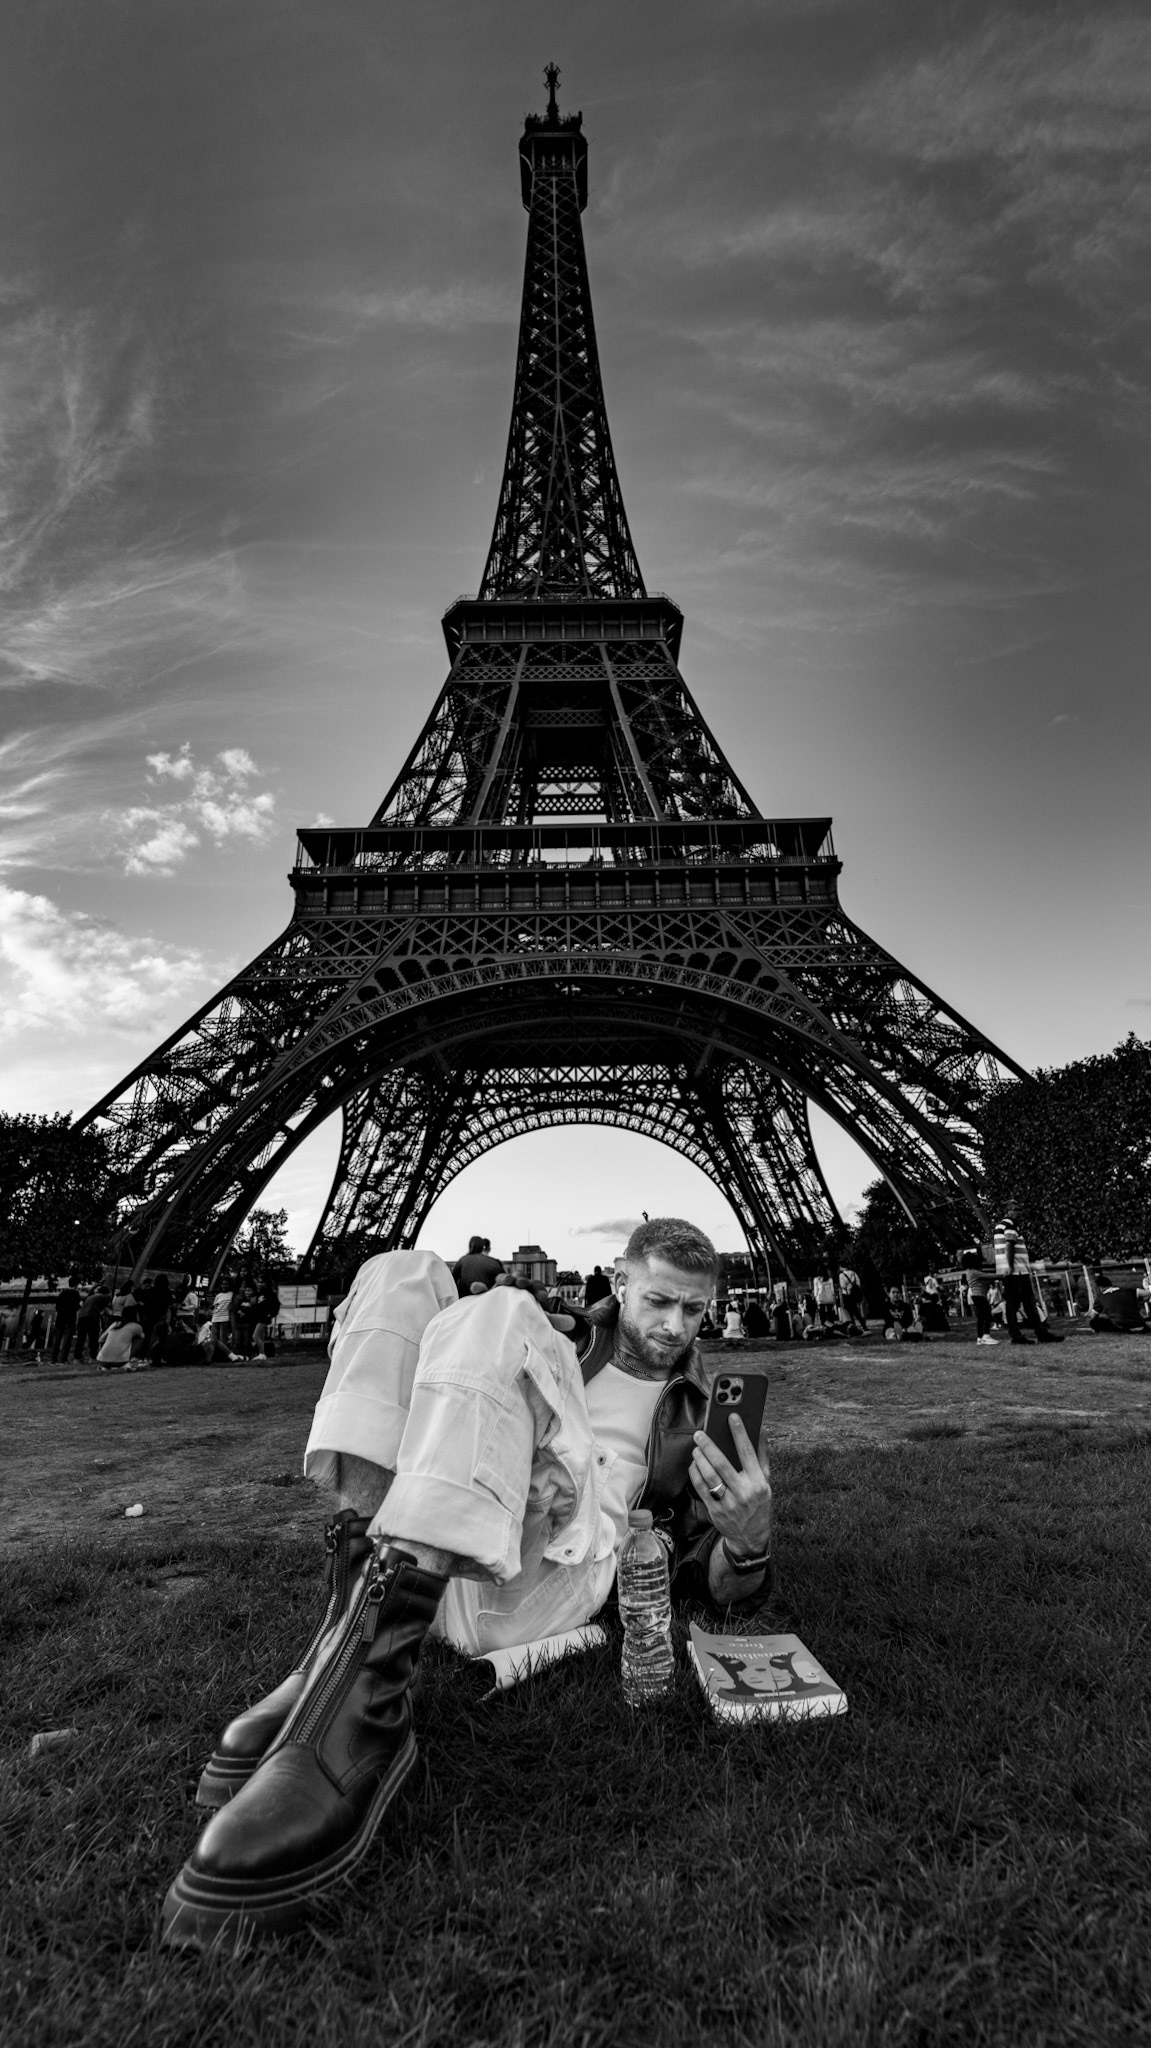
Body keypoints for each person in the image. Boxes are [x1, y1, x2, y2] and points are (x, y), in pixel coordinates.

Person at [161, 1217, 775, 1952]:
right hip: (456, 1543)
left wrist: (748, 1539)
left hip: (560, 1569)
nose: (676, 1325)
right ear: (620, 1283)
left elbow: (713, 1588)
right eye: (658, 1302)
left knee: (499, 1313)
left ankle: (355, 1693)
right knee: (405, 1272)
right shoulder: (562, 1336)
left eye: (694, 1309)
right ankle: (344, 1651)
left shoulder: (703, 1412)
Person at [993, 1215, 1062, 1346]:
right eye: (1015, 1209)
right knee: (1023, 1304)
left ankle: (1032, 1333)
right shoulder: (1010, 1225)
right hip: (1017, 1271)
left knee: (1018, 1305)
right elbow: (1009, 1244)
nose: (1018, 1212)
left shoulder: (999, 1226)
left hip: (1010, 1271)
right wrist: (1011, 1266)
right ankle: (1028, 1334)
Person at [962, 1250, 998, 1345]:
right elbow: (989, 1276)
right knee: (988, 1316)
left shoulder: (968, 1272)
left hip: (975, 1296)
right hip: (980, 1296)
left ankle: (979, 1338)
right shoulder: (974, 1272)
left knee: (981, 1317)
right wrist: (1004, 1275)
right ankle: (986, 1335)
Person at [50, 1274, 82, 1363]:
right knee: (67, 1339)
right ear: (76, 1284)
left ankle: (53, 1359)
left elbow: (57, 1307)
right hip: (70, 1317)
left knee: (57, 1338)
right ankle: (63, 1359)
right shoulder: (75, 1294)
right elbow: (77, 1306)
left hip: (60, 1317)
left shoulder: (62, 1293)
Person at [75, 1284, 111, 1362]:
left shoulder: (90, 1297)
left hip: (81, 1317)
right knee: (93, 1338)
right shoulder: (104, 1297)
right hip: (92, 1317)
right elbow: (107, 1310)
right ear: (106, 1293)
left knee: (81, 1338)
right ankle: (93, 1357)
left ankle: (77, 1357)